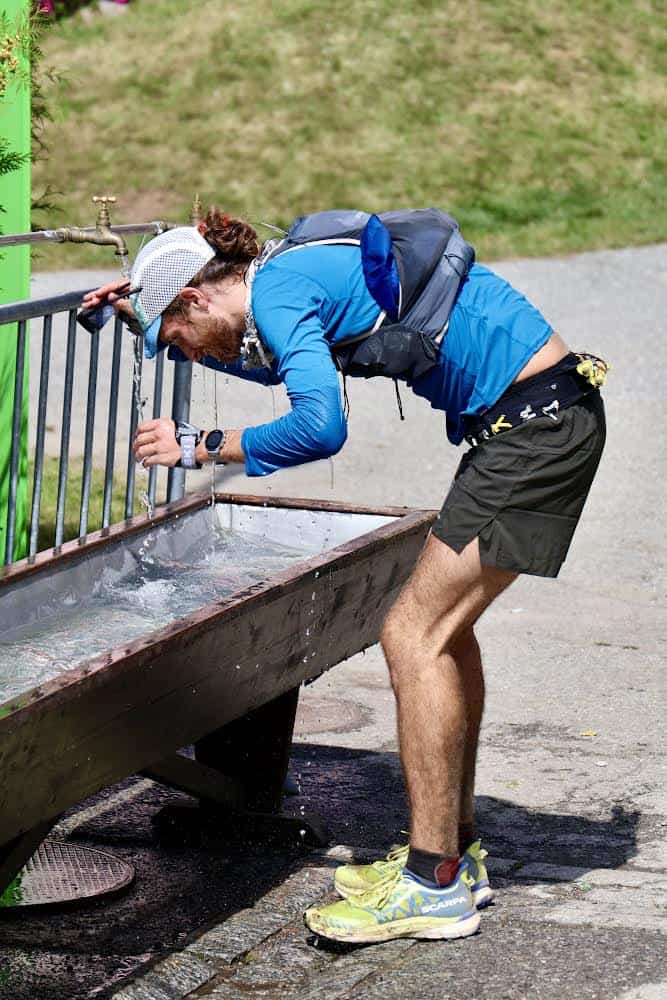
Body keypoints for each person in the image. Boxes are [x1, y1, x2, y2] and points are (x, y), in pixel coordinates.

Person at [82, 207, 607, 945]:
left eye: (172, 335)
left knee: (411, 634)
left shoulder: (279, 293)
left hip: (535, 430)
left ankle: (432, 885)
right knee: (444, 636)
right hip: (537, 419)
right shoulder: (279, 286)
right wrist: (144, 299)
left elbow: (319, 425)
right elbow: (261, 359)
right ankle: (453, 855)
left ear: (197, 297)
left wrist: (200, 444)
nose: (178, 353)